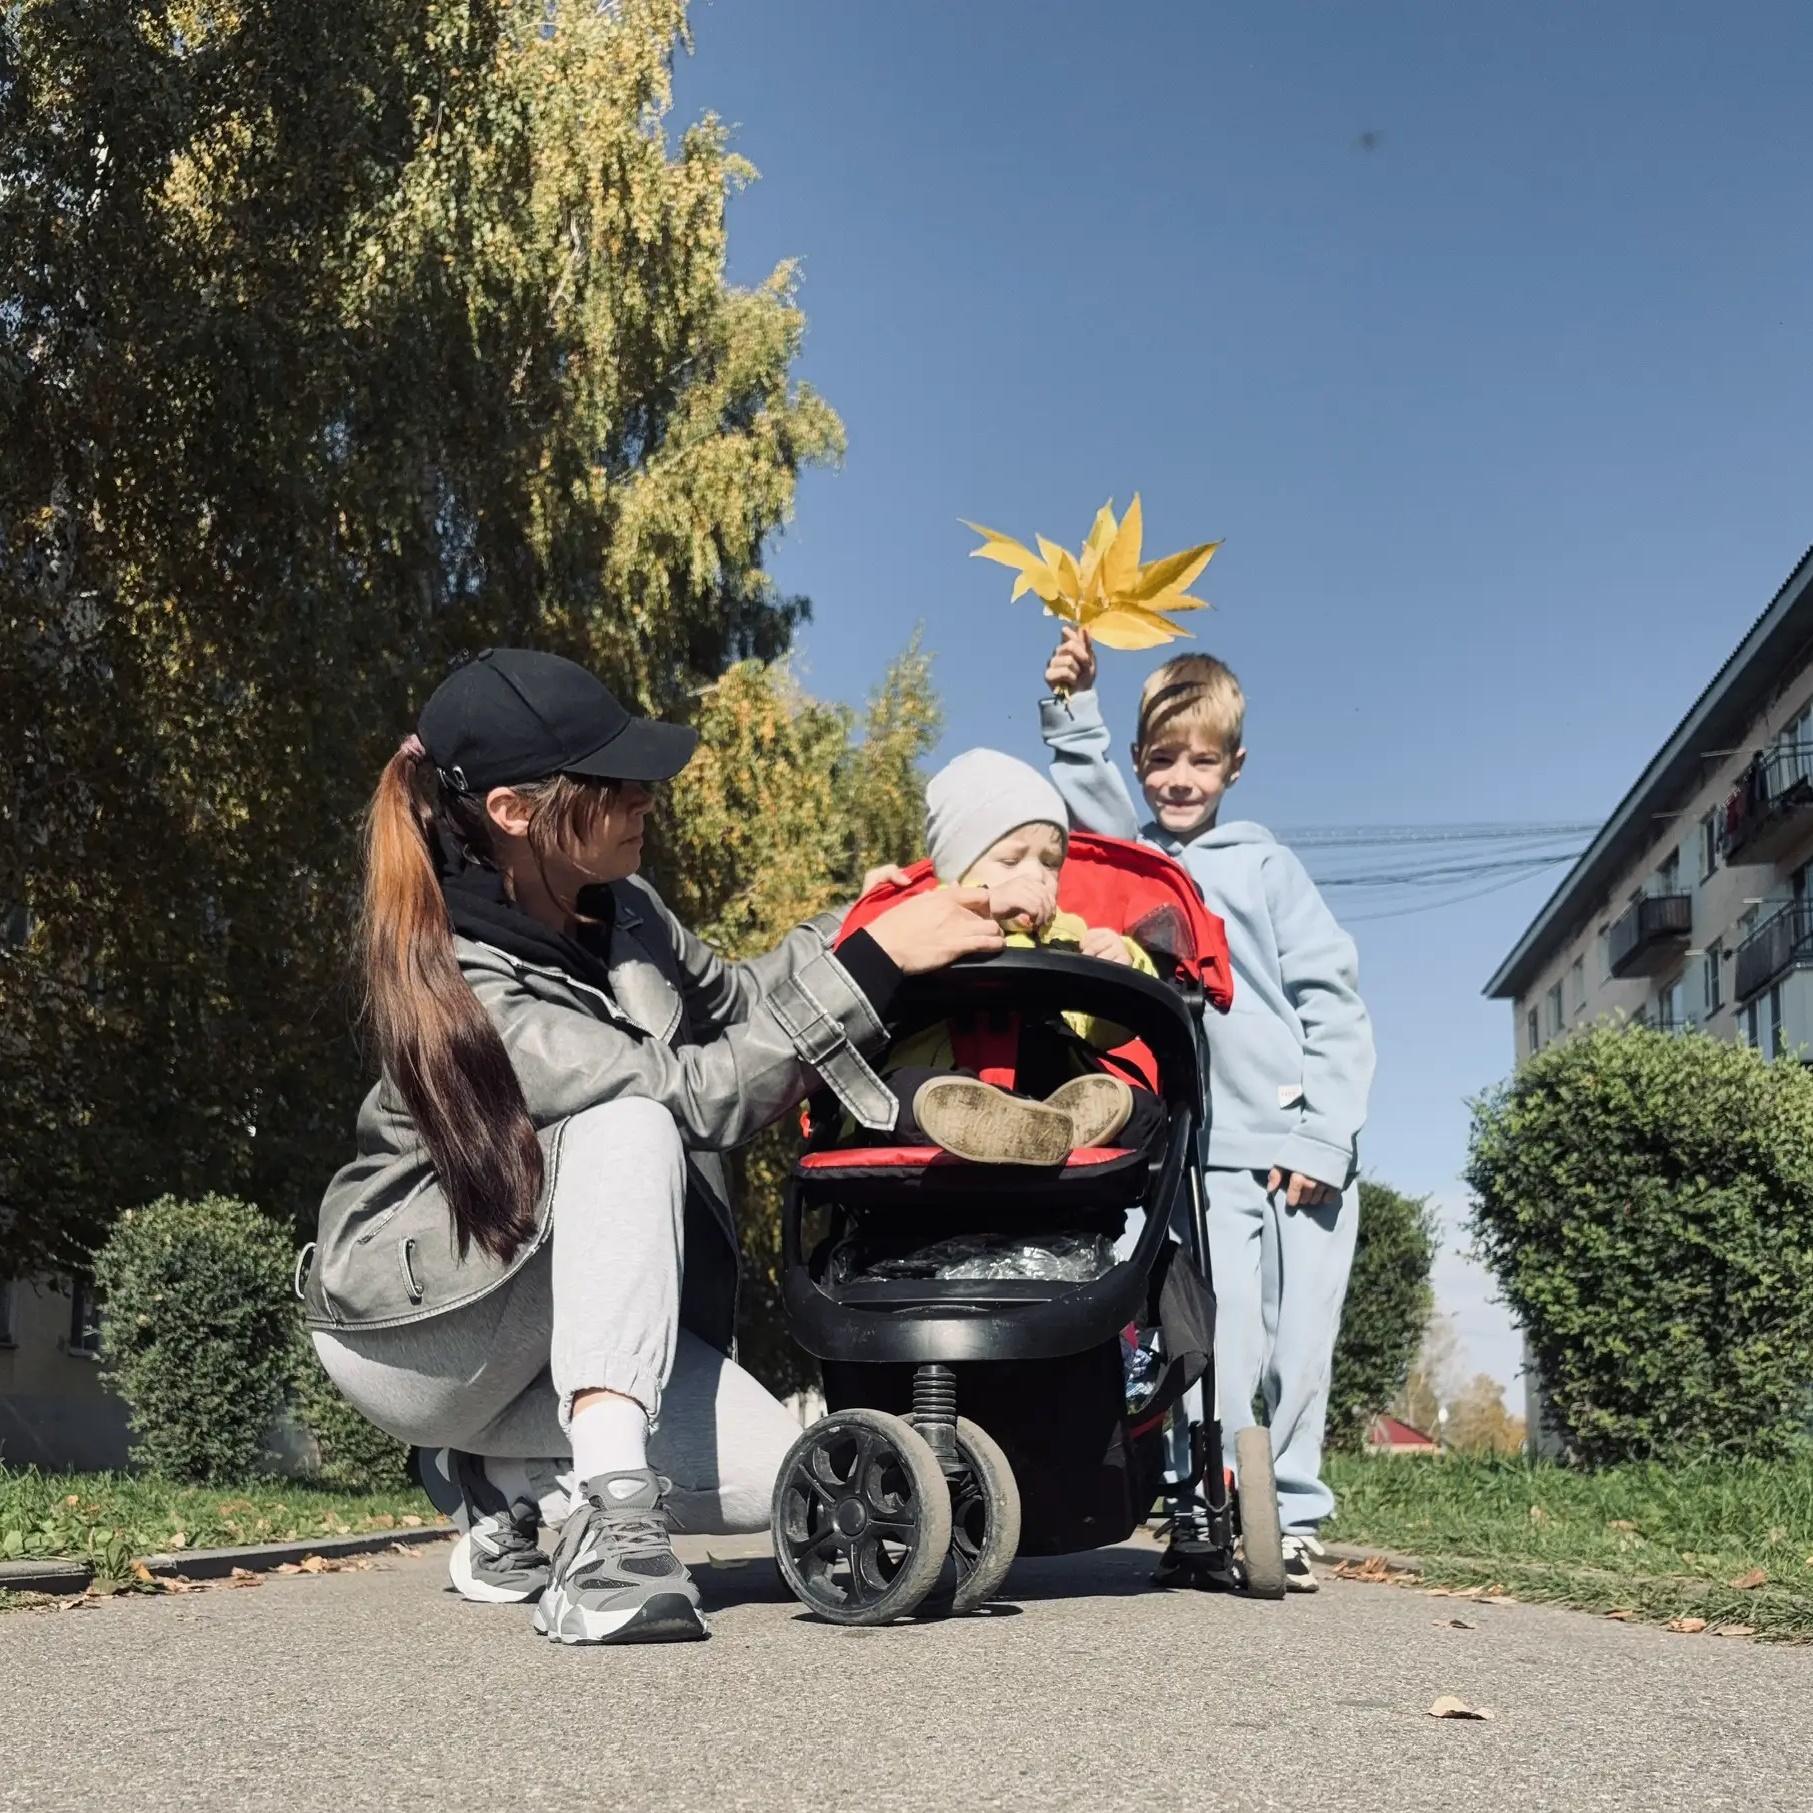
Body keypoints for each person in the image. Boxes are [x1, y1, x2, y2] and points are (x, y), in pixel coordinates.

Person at [301, 648, 1008, 1645]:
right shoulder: (464, 974)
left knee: (776, 1477)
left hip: (539, 1319)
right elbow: (693, 1095)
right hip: (422, 1335)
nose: (645, 796)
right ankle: (610, 1536)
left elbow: (740, 1004)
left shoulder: (621, 904)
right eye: (613, 781)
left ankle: (505, 1484)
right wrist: (871, 966)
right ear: (513, 810)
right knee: (630, 1120)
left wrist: (862, 922)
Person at [1039, 625, 1375, 1592]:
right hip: (1204, 1154)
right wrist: (1073, 708)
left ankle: (1291, 1514)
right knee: (1209, 1340)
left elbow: (1333, 1002)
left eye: (1200, 759)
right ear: (1139, 760)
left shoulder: (1267, 869)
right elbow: (1096, 811)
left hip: (1301, 1147)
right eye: (1160, 758)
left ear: (1234, 765)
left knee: (1298, 1343)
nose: (1178, 778)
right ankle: (1205, 1507)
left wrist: (1324, 1132)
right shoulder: (1145, 871)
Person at [865, 748, 1167, 1165]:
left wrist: (1125, 963)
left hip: (1044, 1086)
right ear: (957, 869)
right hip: (943, 1080)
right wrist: (986, 903)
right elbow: (880, 963)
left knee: (1141, 1109)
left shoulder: (1068, 935)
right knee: (900, 1098)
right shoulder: (929, 912)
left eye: (1051, 863)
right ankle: (998, 1123)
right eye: (1010, 860)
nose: (1036, 875)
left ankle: (1046, 1126)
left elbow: (1101, 1031)